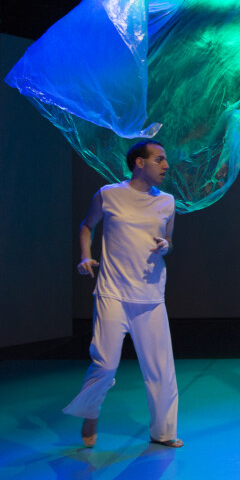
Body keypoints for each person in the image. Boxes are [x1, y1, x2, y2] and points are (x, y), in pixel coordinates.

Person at [63, 139, 183, 449]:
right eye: (159, 159)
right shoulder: (109, 195)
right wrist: (84, 255)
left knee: (161, 370)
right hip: (113, 292)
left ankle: (163, 432)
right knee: (104, 363)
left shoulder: (167, 202)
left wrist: (166, 246)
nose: (166, 166)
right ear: (139, 163)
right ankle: (91, 411)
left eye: (165, 160)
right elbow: (86, 226)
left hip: (151, 295)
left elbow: (168, 241)